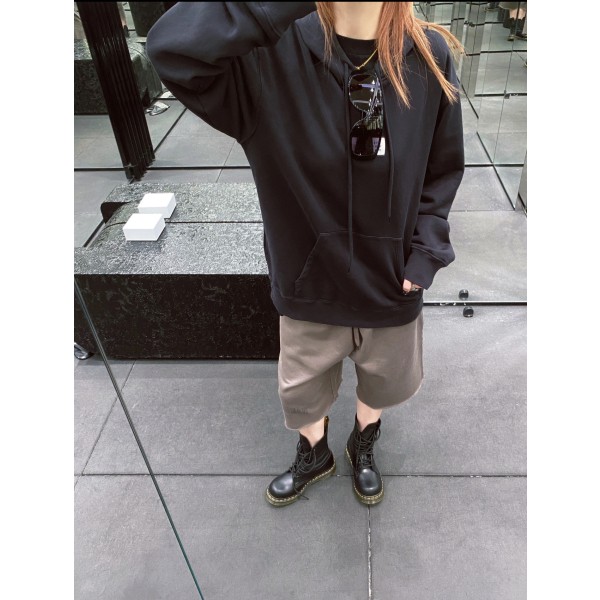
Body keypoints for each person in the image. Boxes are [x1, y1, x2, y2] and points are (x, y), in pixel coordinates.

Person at [147, 2, 464, 507]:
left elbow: (442, 167)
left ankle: (364, 441)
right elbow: (172, 49)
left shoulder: (429, 55)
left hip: (393, 278)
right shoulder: (266, 56)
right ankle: (314, 452)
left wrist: (426, 252)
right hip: (309, 280)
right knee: (302, 389)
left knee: (383, 381)